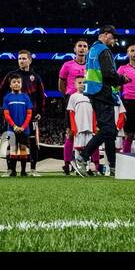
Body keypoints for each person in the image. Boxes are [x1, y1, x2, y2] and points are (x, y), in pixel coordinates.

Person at [73, 25, 121, 176]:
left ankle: (113, 167)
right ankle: (82, 157)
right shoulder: (104, 50)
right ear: (106, 35)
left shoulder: (93, 50)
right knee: (108, 130)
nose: (113, 42)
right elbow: (109, 75)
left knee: (110, 132)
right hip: (102, 93)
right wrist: (122, 79)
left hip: (95, 93)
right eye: (113, 38)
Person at [0, 50, 46, 176]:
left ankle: (33, 169)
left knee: (31, 143)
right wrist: (3, 107)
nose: (21, 61)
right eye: (19, 58)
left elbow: (41, 96)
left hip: (31, 116)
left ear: (30, 60)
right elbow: (1, 91)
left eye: (24, 58)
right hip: (13, 115)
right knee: (11, 143)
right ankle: (10, 169)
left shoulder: (35, 77)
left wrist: (40, 111)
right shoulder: (11, 75)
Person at [58, 39, 90, 175]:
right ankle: (66, 164)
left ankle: (85, 164)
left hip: (88, 100)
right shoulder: (67, 65)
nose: (82, 49)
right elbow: (61, 83)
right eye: (80, 46)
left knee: (88, 132)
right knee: (70, 132)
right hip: (72, 100)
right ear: (75, 49)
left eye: (84, 46)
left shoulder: (91, 66)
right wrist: (68, 96)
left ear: (87, 50)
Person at [66, 76, 102, 175]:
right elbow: (71, 113)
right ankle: (78, 168)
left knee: (88, 148)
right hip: (79, 127)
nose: (82, 84)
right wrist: (73, 127)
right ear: (75, 84)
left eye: (83, 83)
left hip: (89, 127)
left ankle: (87, 168)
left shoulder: (91, 96)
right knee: (78, 147)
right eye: (79, 82)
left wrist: (95, 126)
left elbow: (94, 112)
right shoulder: (73, 97)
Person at [1, 75, 33, 177]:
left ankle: (23, 171)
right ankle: (13, 171)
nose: (16, 84)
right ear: (10, 85)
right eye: (14, 82)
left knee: (23, 148)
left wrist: (23, 126)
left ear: (21, 84)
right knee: (13, 149)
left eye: (18, 82)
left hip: (24, 129)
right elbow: (6, 114)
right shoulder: (7, 97)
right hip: (11, 129)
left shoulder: (26, 97)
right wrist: (14, 126)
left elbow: (29, 114)